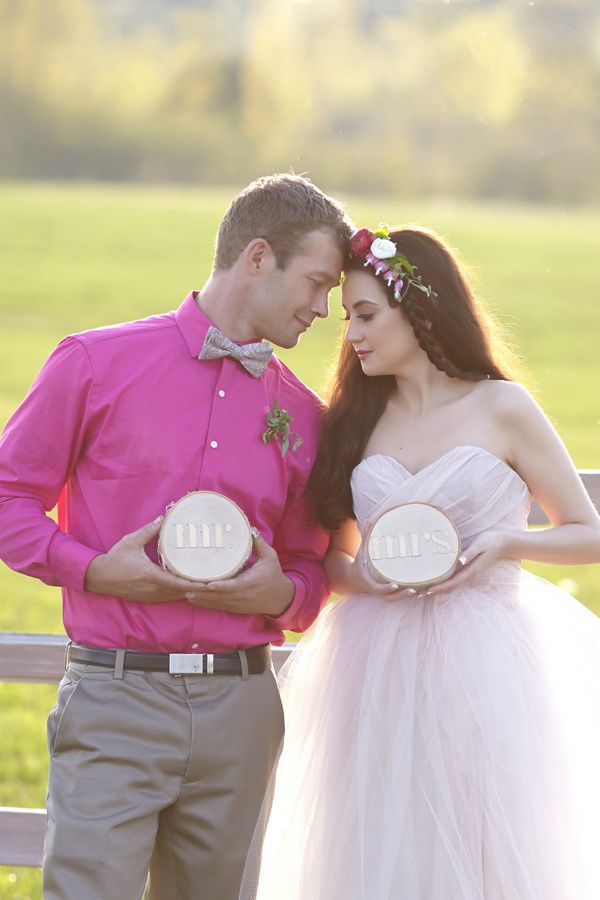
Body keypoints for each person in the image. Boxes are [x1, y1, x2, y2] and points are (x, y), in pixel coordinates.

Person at [0, 173, 353, 899]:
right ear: (258, 257)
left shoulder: (305, 415)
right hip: (114, 698)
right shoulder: (94, 363)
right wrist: (96, 571)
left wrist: (282, 591)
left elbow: (313, 570)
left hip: (242, 712)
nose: (325, 309)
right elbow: (9, 498)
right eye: (316, 284)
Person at [241, 225, 600, 900]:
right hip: (376, 661)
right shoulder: (352, 423)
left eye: (367, 315)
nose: (351, 335)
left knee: (486, 835)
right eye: (348, 318)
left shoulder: (503, 408)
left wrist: (510, 544)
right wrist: (363, 579)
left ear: (422, 309)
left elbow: (588, 533)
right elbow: (335, 560)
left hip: (488, 660)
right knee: (380, 837)